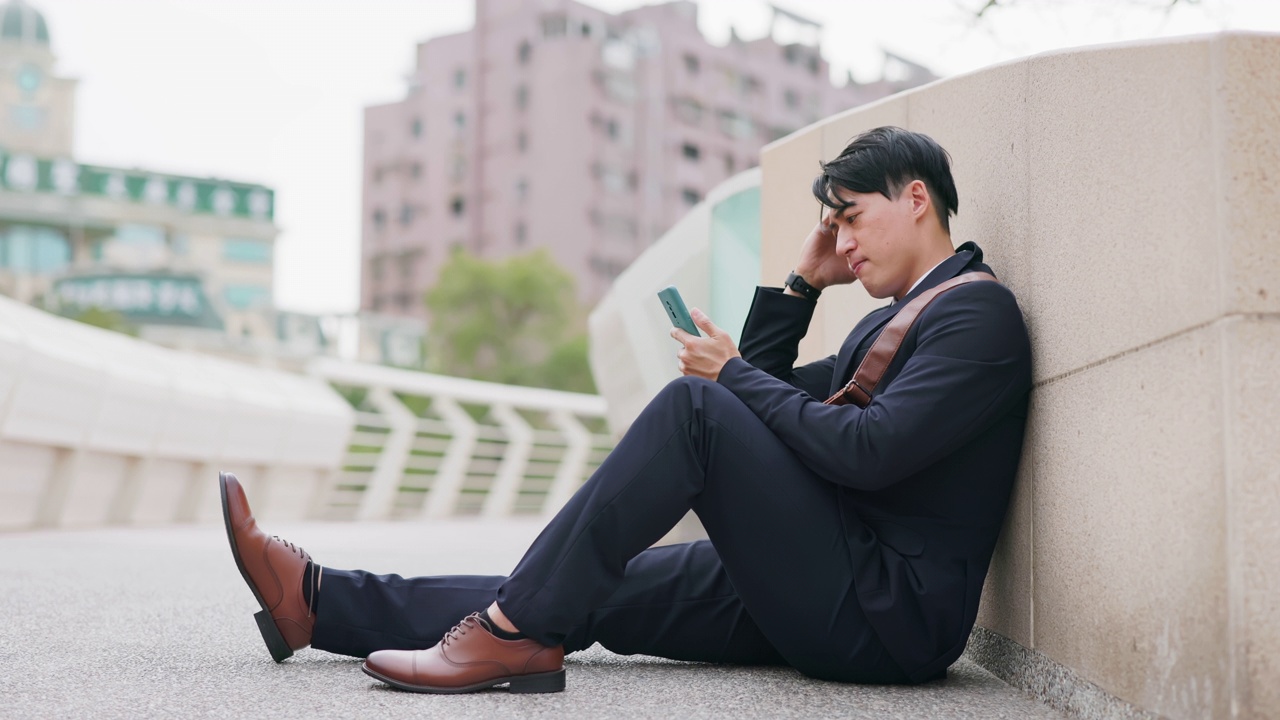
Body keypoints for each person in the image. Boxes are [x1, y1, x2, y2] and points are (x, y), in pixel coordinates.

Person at [220, 126, 1032, 695]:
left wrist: (731, 377)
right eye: (836, 226)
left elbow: (865, 450)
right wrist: (801, 286)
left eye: (852, 217)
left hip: (885, 619)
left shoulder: (975, 316)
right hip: (833, 576)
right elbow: (772, 400)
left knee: (693, 409)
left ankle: (504, 640)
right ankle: (320, 602)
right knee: (578, 583)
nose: (845, 242)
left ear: (916, 198)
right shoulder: (892, 317)